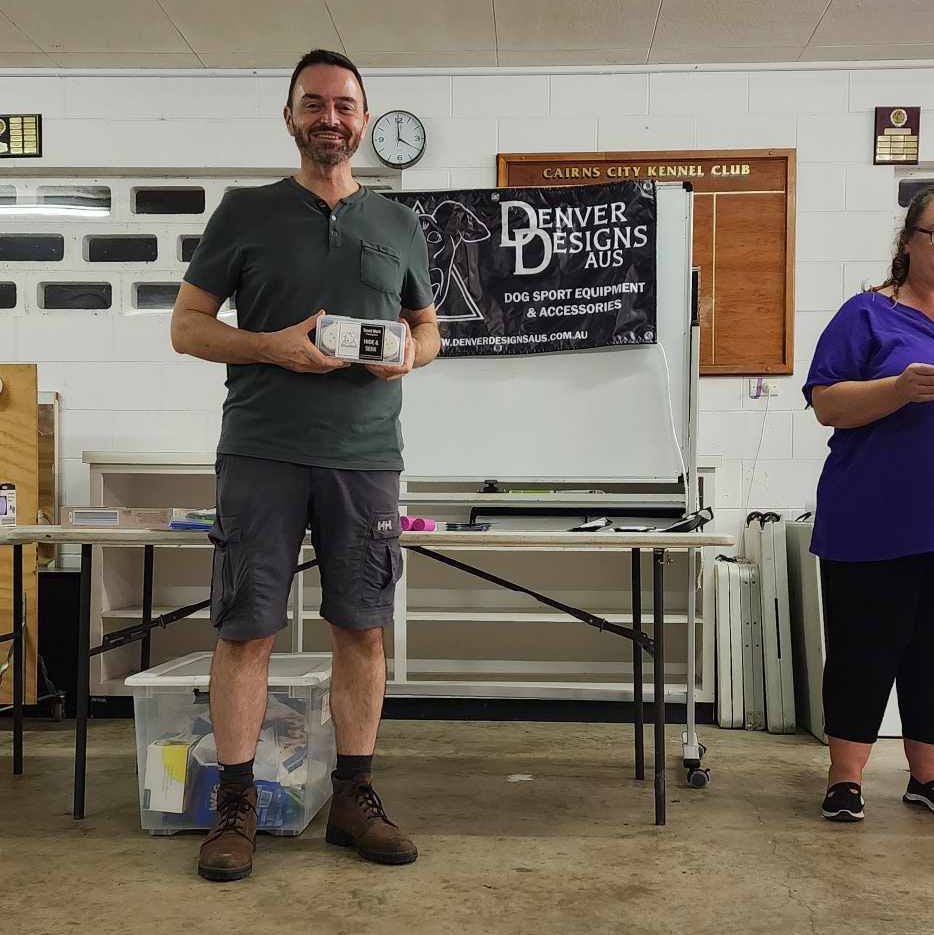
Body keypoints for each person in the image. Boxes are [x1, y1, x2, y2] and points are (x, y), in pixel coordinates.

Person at [170, 48, 439, 880]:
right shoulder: (244, 212)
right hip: (260, 451)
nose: (332, 118)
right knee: (244, 628)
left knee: (361, 627)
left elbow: (430, 330)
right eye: (314, 104)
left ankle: (353, 798)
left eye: (346, 105)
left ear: (364, 120)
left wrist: (408, 356)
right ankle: (237, 805)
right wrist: (270, 348)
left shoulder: (400, 224)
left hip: (365, 458)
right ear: (290, 118)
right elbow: (187, 326)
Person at [803, 188, 934, 822]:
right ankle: (846, 780)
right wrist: (899, 389)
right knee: (863, 649)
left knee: (932, 652)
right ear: (909, 242)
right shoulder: (867, 315)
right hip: (872, 518)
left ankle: (926, 775)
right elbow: (828, 403)